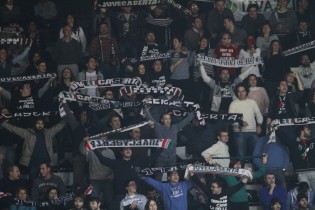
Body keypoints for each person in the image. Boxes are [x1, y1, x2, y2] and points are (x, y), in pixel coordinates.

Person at [1, 117, 66, 183]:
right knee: (32, 182)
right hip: (33, 163)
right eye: (38, 123)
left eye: (42, 123)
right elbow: (14, 129)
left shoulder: (48, 133)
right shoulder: (27, 133)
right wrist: (2, 122)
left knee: (47, 182)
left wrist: (68, 117)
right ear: (34, 124)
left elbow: (59, 126)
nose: (40, 125)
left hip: (46, 162)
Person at [228, 83, 263, 162]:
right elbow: (231, 120)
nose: (241, 93)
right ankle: (242, 173)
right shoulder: (233, 104)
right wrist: (240, 123)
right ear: (237, 93)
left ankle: (258, 172)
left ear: (246, 92)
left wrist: (259, 125)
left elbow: (259, 115)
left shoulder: (252, 102)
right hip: (239, 132)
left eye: (243, 91)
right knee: (241, 155)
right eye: (239, 91)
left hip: (253, 132)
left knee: (257, 154)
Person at [291, 125, 315, 191]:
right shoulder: (294, 143)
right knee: (305, 192)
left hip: (314, 171)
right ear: (302, 131)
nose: (310, 130)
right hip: (301, 172)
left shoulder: (313, 141)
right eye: (307, 129)